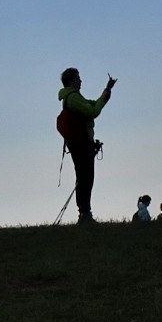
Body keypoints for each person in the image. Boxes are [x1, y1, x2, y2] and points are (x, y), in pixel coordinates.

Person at [57, 67, 116, 225]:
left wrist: (106, 91)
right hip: (82, 144)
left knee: (84, 178)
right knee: (85, 178)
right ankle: (84, 214)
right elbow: (93, 111)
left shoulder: (72, 97)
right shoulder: (73, 98)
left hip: (78, 143)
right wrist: (106, 94)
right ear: (71, 81)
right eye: (78, 78)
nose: (80, 80)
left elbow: (93, 105)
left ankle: (84, 213)